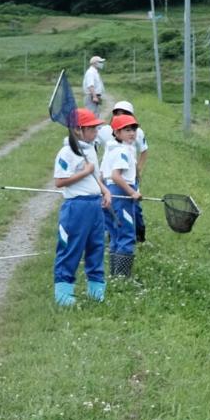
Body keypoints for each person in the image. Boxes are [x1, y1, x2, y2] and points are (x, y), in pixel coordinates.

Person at [51, 107, 110, 307]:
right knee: (71, 249)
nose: (96, 132)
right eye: (91, 128)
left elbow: (95, 176)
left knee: (96, 247)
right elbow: (59, 181)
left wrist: (105, 191)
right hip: (76, 207)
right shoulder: (66, 152)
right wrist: (84, 172)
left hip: (95, 207)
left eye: (96, 128)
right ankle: (63, 294)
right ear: (78, 130)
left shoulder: (90, 148)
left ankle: (96, 292)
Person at [100, 110, 142, 278]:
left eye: (134, 129)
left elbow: (102, 175)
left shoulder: (110, 150)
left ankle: (115, 275)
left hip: (110, 194)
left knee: (116, 235)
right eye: (127, 130)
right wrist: (133, 192)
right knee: (126, 234)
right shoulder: (123, 152)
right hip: (121, 195)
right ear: (116, 133)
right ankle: (123, 278)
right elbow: (116, 176)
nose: (132, 133)